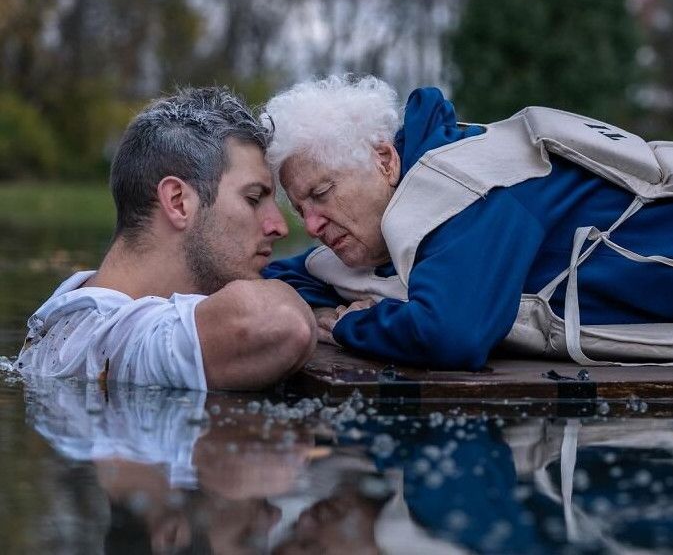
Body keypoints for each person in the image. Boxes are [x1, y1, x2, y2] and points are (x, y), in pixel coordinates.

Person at [262, 75, 673, 369]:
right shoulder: (387, 222)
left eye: (321, 194)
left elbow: (451, 334)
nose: (312, 225)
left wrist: (352, 324)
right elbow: (284, 275)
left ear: (384, 160)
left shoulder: (468, 188)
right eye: (301, 209)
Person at [15, 87, 316, 390]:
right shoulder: (105, 340)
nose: (279, 226)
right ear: (177, 201)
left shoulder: (75, 314)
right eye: (253, 198)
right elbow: (283, 322)